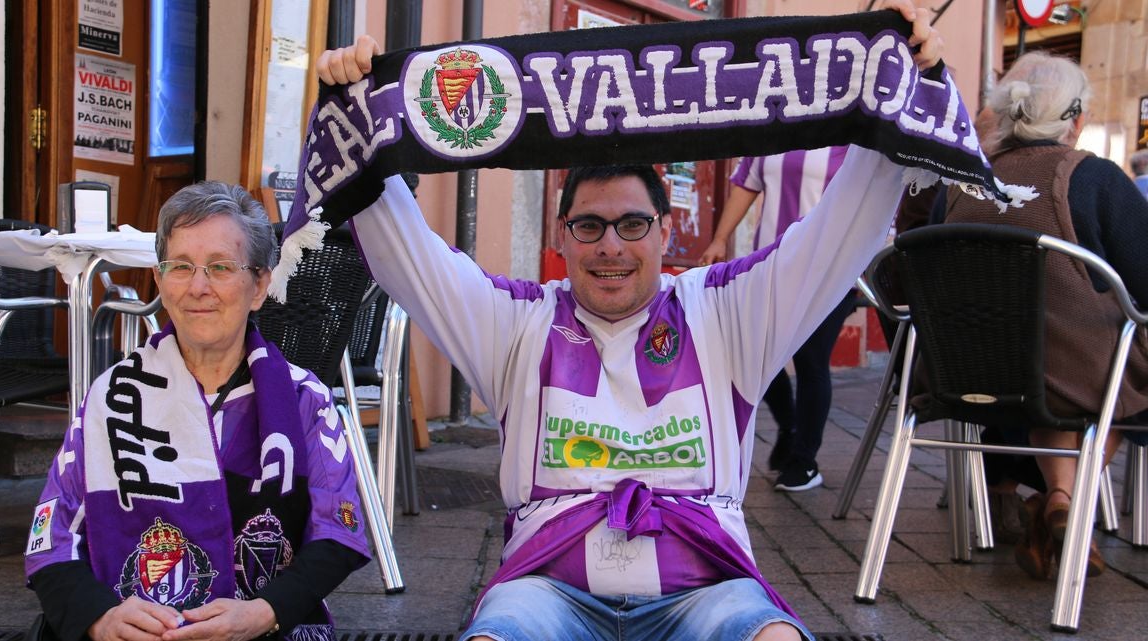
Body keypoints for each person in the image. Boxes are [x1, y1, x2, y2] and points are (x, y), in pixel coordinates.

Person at [317, 3, 940, 639]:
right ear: (562, 236)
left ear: (665, 230)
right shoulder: (516, 324)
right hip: (548, 596)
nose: (610, 247)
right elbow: (407, 256)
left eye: (633, 224)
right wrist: (356, 116)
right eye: (589, 225)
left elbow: (844, 229)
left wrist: (906, 87)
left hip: (707, 597)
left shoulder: (725, 312)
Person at [24, 183, 371, 641]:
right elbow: (50, 538)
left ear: (260, 285)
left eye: (221, 268)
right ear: (160, 280)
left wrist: (265, 612)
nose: (198, 287)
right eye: (181, 267)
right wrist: (100, 617)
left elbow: (338, 533)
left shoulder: (304, 399)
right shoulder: (111, 397)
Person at [937, 51, 1148, 580]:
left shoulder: (962, 181)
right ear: (1076, 120)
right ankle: (1061, 501)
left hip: (963, 378)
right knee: (1117, 366)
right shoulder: (1096, 179)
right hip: (1067, 375)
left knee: (1063, 367)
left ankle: (1054, 501)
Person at [697, 148, 854, 491]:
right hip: (770, 267)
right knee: (752, 355)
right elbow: (745, 185)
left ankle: (804, 462)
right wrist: (720, 239)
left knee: (811, 361)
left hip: (829, 270)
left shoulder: (851, 140)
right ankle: (789, 426)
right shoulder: (776, 131)